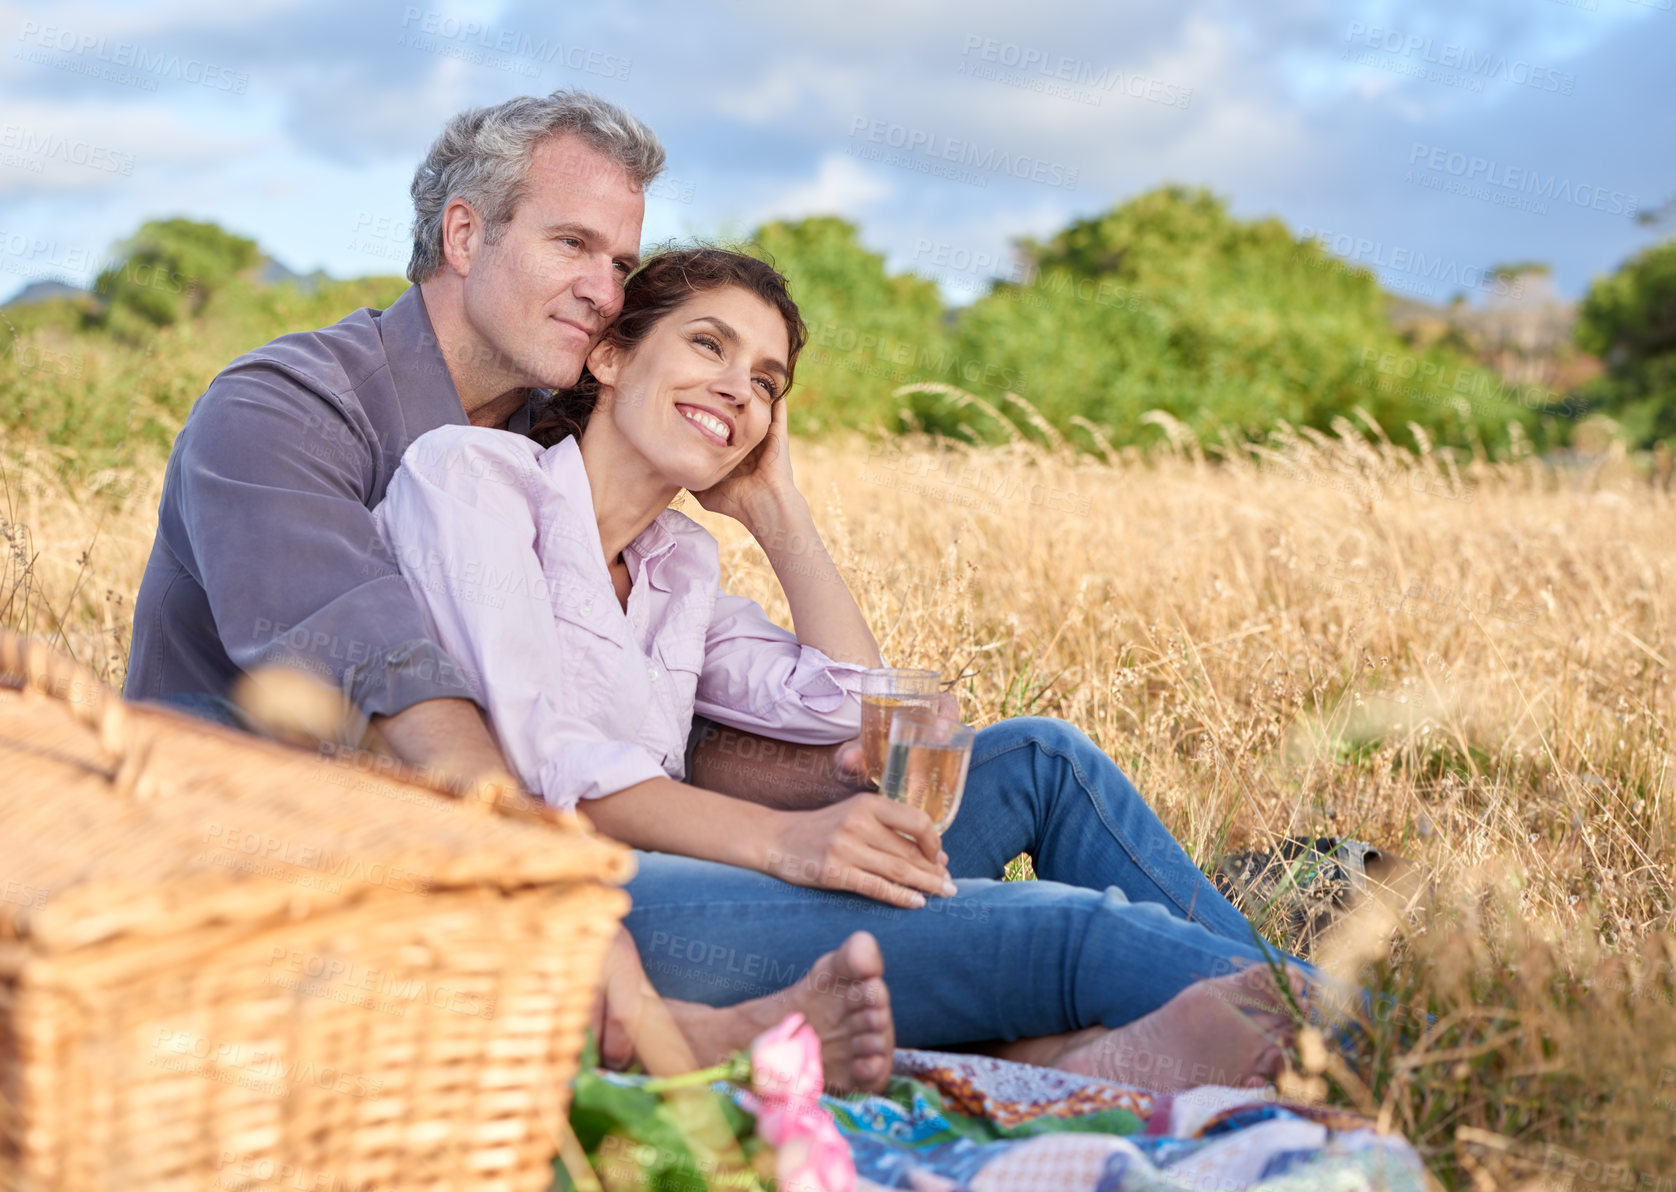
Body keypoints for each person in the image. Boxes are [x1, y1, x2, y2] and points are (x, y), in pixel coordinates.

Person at [376, 245, 1317, 1093]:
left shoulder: (678, 563)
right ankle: (1366, 1045)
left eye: (767, 381)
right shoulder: (473, 480)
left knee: (1042, 759)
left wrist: (776, 510)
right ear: (611, 354)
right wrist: (792, 843)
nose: (740, 388)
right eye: (708, 345)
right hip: (581, 906)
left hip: (696, 866)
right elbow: (549, 763)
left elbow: (849, 712)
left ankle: (1268, 1002)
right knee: (1065, 933)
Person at [123, 89, 897, 1092]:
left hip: (527, 830)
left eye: (619, 264)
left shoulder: (553, 442)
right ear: (462, 233)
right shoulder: (285, 405)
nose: (603, 290)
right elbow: (389, 673)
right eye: (570, 245)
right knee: (1030, 934)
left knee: (1022, 764)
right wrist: (580, 873)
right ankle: (655, 1037)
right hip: (283, 859)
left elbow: (701, 696)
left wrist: (776, 518)